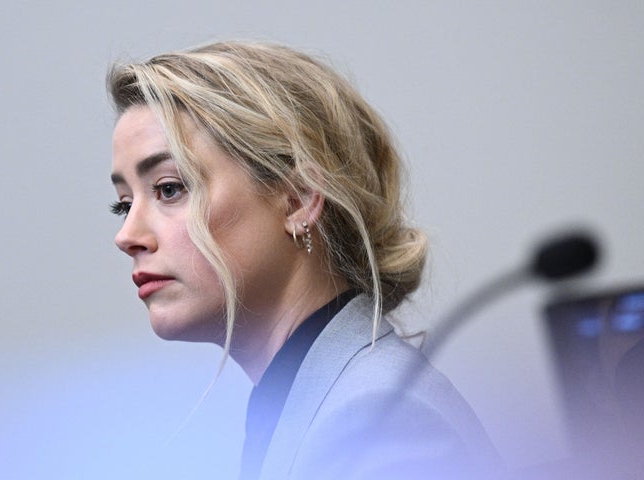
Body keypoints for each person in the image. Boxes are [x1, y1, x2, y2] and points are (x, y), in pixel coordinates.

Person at [107, 41, 499, 479]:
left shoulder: (375, 421)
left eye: (168, 188)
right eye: (123, 204)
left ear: (299, 199)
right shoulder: (311, 406)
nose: (127, 236)